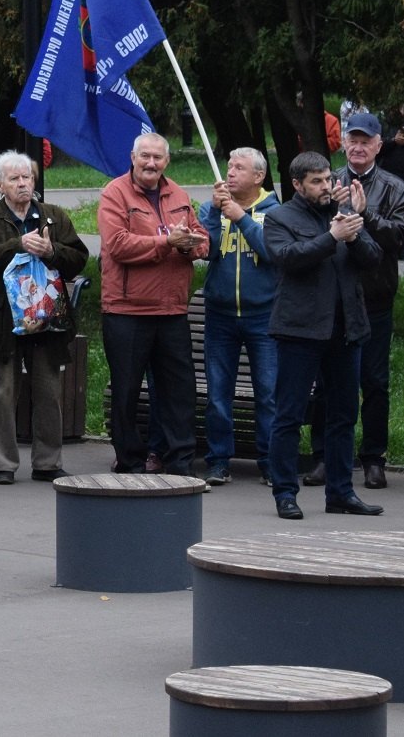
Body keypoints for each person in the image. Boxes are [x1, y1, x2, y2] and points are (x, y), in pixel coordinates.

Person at [263, 152, 382, 521]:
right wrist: (332, 237)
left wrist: (356, 231)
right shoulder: (279, 217)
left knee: (344, 414)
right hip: (300, 330)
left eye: (328, 179)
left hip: (345, 328)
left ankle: (341, 493)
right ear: (297, 184)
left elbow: (374, 258)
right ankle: (285, 492)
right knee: (290, 414)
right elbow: (288, 257)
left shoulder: (342, 215)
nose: (326, 187)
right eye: (316, 181)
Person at [0, 149, 87, 485]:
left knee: (48, 389)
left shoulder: (52, 216)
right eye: (15, 178)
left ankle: (48, 461)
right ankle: (3, 463)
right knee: (2, 391)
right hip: (2, 318)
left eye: (27, 177)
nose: (23, 184)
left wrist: (53, 251)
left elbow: (79, 258)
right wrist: (15, 246)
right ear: (0, 184)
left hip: (46, 317)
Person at [303, 113, 404, 490]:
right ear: (344, 144)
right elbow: (308, 227)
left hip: (374, 298)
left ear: (379, 145)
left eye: (367, 140)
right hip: (331, 298)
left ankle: (373, 458)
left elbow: (397, 242)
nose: (359, 146)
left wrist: (366, 213)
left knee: (375, 381)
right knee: (326, 382)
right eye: (353, 139)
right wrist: (330, 206)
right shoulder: (326, 180)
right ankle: (324, 456)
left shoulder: (395, 187)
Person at [98, 133, 208, 476]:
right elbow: (118, 245)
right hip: (127, 310)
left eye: (158, 158)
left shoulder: (178, 193)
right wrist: (166, 242)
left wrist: (191, 245)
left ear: (167, 161)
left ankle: (180, 463)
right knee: (127, 390)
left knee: (179, 391)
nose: (151, 163)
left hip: (172, 310)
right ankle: (129, 461)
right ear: (132, 157)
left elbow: (201, 238)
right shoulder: (114, 193)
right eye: (145, 156)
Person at [196, 147, 280, 485]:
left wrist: (241, 217)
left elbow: (271, 252)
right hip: (220, 315)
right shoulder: (210, 209)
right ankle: (218, 460)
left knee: (269, 393)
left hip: (265, 316)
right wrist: (217, 215)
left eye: (239, 168)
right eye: (229, 166)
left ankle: (271, 462)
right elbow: (208, 252)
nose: (230, 173)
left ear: (258, 176)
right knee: (218, 394)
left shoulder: (276, 212)